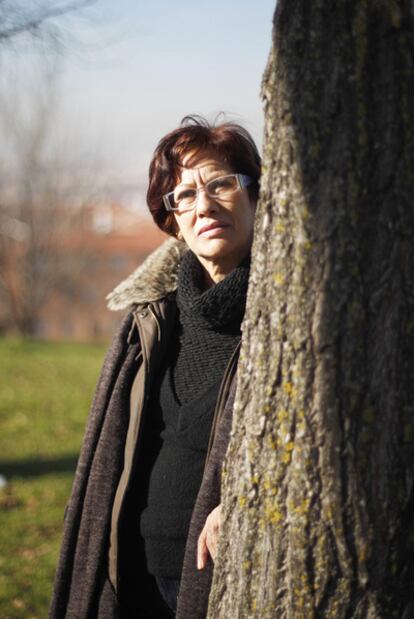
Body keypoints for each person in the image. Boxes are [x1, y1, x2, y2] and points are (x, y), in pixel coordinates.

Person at [49, 115, 261, 619]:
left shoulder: (283, 323)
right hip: (129, 575)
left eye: (221, 184)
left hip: (217, 582)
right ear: (172, 219)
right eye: (184, 195)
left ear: (256, 195)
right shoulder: (150, 318)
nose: (203, 204)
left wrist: (248, 505)